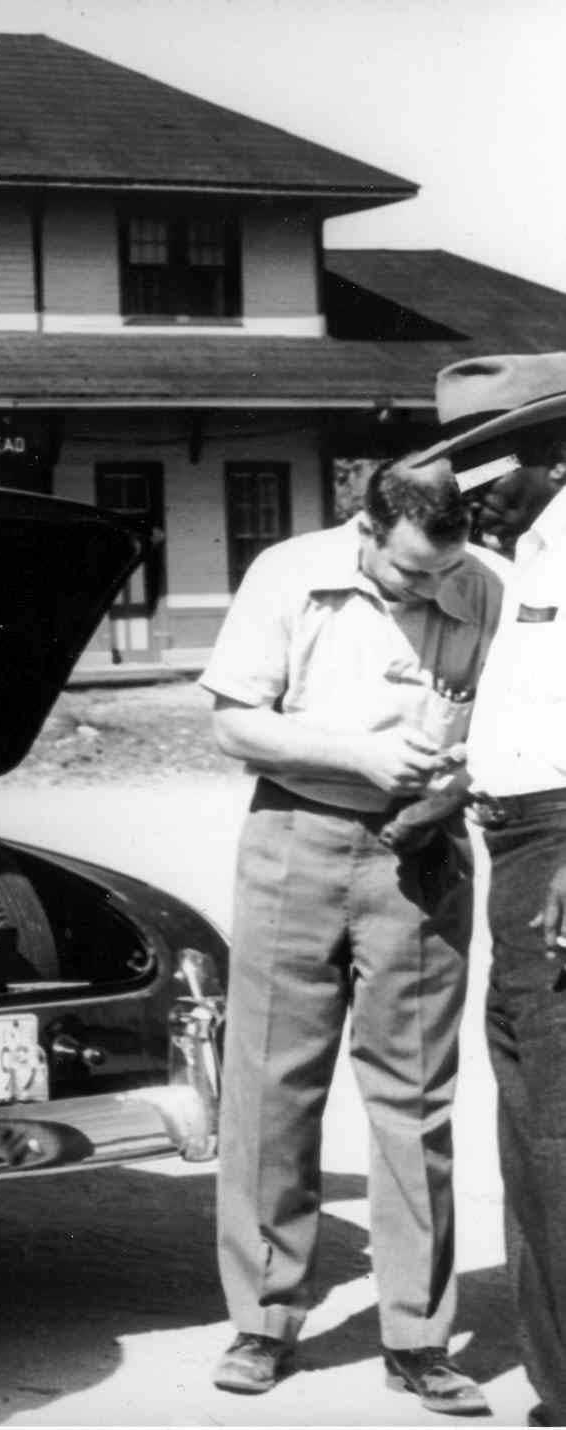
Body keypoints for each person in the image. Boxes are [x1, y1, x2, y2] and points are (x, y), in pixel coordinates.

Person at [200, 458, 504, 1413]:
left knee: (414, 1095)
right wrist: (358, 752)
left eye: (440, 573)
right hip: (294, 834)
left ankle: (416, 1335)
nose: (427, 590)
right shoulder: (285, 573)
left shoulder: (482, 584)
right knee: (270, 1084)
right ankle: (263, 1319)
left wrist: (452, 779)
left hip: (418, 851)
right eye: (410, 571)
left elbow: (510, 714)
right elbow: (233, 725)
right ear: (363, 528)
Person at [407, 352, 566, 1428]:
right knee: (528, 1132)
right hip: (515, 844)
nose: (469, 490)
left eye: (483, 461)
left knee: (558, 1129)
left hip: (558, 848)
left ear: (547, 445)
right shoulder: (534, 547)